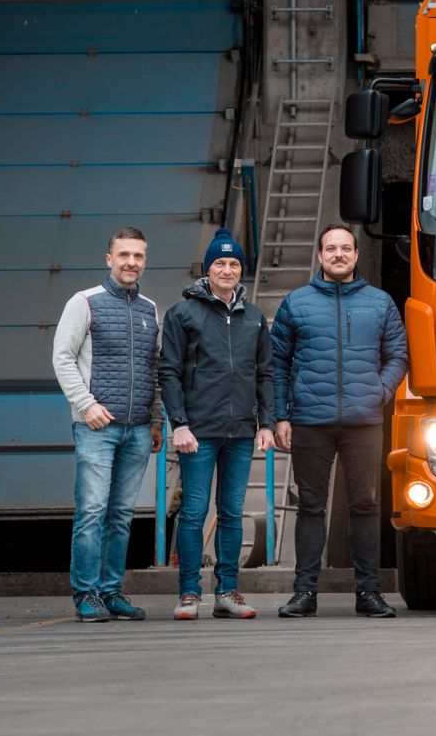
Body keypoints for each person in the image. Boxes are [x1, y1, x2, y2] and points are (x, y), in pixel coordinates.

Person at [272, 224, 409, 618]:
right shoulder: (296, 303)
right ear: (320, 255)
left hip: (363, 422)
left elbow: (398, 355)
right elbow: (277, 363)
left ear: (356, 255)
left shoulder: (379, 302)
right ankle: (304, 593)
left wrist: (379, 391)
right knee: (311, 506)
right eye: (331, 249)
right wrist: (281, 416)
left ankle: (369, 593)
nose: (338, 255)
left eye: (346, 248)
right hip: (309, 421)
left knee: (366, 505)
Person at [159, 228, 275, 620]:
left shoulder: (254, 317)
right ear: (207, 269)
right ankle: (189, 593)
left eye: (234, 263)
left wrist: (266, 423)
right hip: (198, 432)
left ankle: (227, 591)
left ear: (241, 269)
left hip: (241, 431)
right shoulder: (183, 314)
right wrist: (179, 424)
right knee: (194, 511)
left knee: (231, 512)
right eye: (220, 263)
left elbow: (265, 373)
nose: (227, 269)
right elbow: (169, 373)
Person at [52, 227, 164, 622]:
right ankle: (86, 593)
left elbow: (154, 369)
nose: (131, 262)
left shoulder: (150, 309)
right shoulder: (84, 302)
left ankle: (111, 591)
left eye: (138, 256)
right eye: (124, 255)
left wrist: (156, 420)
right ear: (109, 259)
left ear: (144, 261)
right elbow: (62, 358)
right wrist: (86, 406)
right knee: (92, 511)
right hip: (96, 427)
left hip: (138, 429)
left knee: (121, 515)